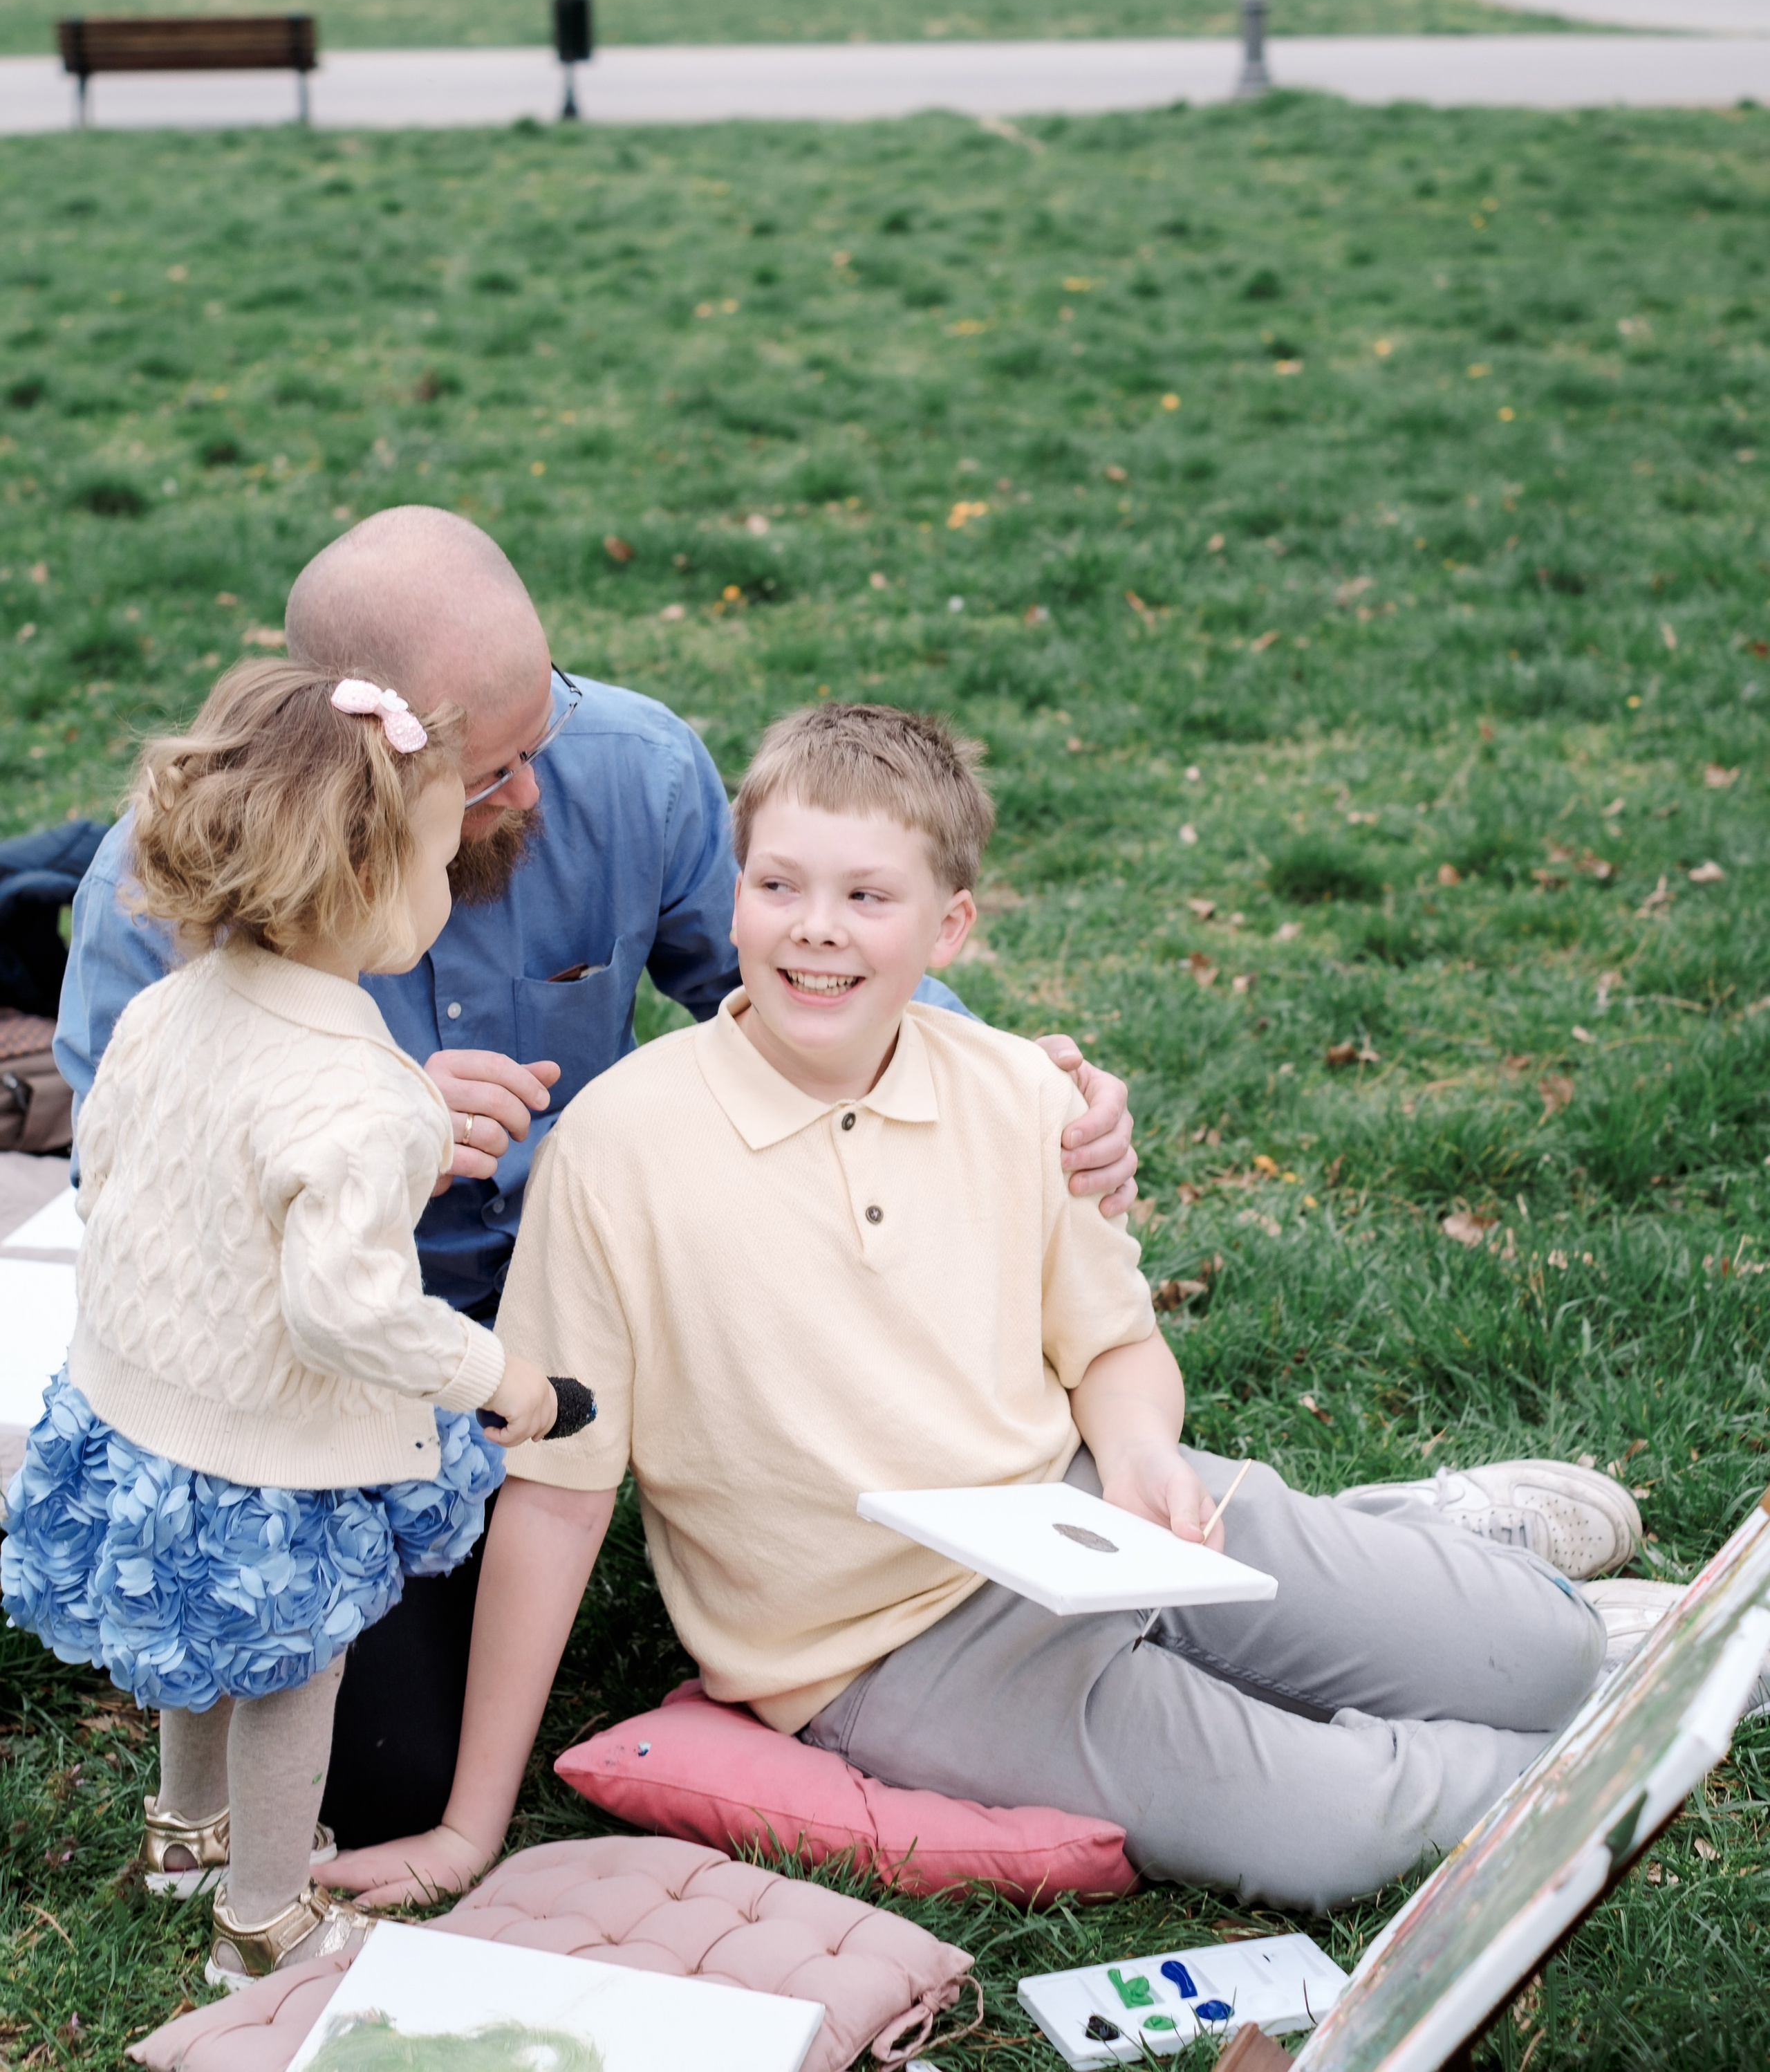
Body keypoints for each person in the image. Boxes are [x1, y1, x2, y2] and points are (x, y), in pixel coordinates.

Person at [330, 702, 1639, 1918]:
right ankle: (1603, 1747)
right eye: (779, 886)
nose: (817, 929)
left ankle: (1482, 1611)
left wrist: (1142, 1458)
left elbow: (1115, 1346)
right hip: (885, 1652)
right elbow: (558, 1500)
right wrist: (469, 1826)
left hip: (1092, 1514)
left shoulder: (1019, 1090)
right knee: (1337, 1831)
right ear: (735, 895)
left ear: (948, 928)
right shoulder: (616, 1147)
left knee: (1548, 1651)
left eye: (867, 896)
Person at [53, 508, 1139, 1846]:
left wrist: (1024, 1089)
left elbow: (813, 983)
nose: (531, 793)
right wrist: (353, 1141)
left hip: (616, 1303)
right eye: (492, 771)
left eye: (542, 732)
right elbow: (131, 1203)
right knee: (379, 1783)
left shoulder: (632, 769)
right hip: (344, 1364)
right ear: (368, 753)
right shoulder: (170, 878)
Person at [1, 661, 558, 1989]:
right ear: (364, 880)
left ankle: (184, 1834)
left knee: (192, 1645)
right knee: (290, 1675)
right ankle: (265, 1920)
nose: (449, 885)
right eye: (438, 862)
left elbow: (114, 1176)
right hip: (273, 1455)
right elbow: (346, 1310)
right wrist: (494, 1371)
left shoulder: (166, 1003)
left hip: (140, 1403)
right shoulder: (366, 1089)